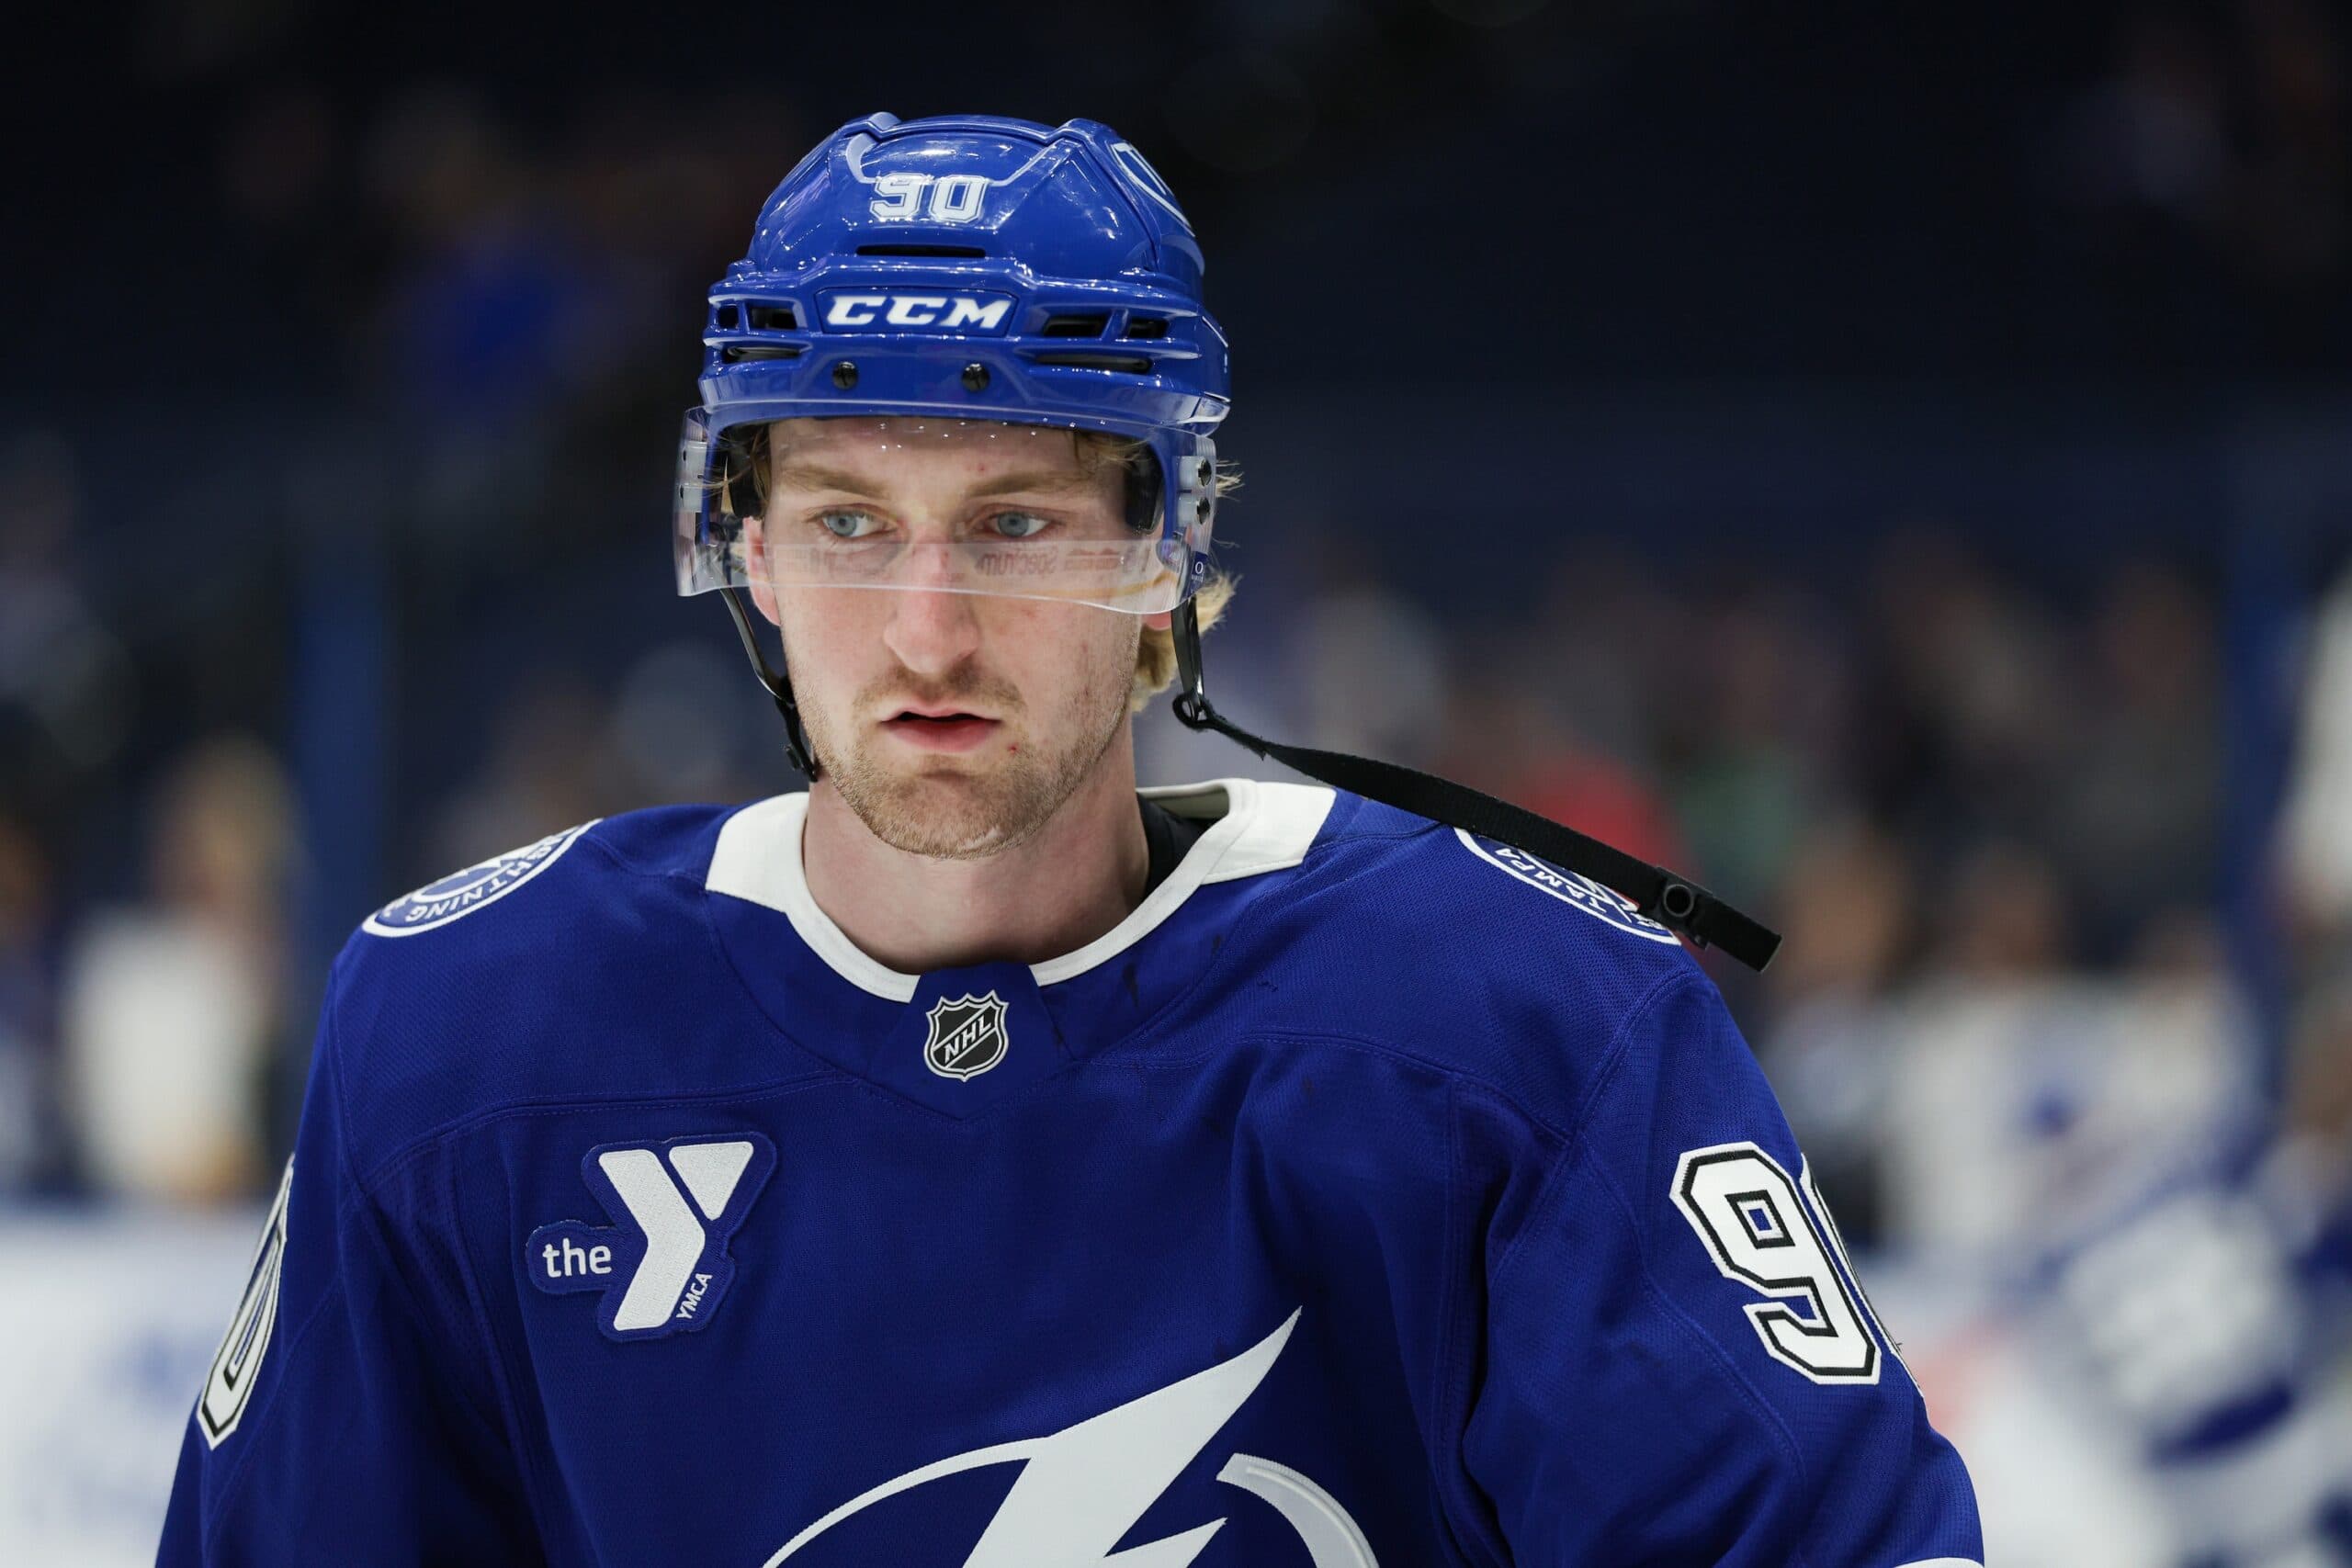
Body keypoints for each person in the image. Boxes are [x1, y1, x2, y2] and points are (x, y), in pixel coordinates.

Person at [160, 113, 1983, 1566]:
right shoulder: (466, 1038)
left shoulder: (1521, 1022)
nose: (931, 630)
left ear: (1169, 562)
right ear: (754, 552)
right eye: (853, 523)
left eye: (1016, 524)